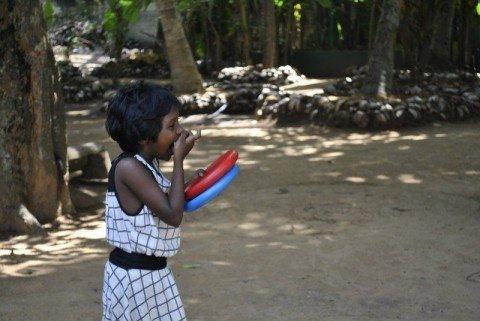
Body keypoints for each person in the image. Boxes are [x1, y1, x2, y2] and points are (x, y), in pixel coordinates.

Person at [102, 81, 202, 321]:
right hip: (133, 278)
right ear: (145, 136)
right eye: (171, 125)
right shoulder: (128, 168)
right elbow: (172, 214)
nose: (179, 131)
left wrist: (190, 185)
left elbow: (164, 203)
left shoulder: (146, 165)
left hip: (151, 273)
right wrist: (179, 161)